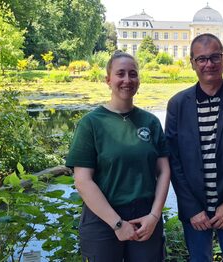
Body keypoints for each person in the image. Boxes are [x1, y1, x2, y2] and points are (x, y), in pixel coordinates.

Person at [66, 51, 170, 261]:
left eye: (133, 74)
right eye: (120, 74)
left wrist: (154, 216)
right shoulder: (91, 123)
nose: (127, 80)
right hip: (102, 219)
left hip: (145, 217)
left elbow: (164, 171)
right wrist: (117, 223)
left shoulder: (150, 122)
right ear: (108, 79)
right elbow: (83, 181)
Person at [165, 33, 223, 261]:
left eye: (215, 57)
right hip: (195, 210)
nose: (209, 64)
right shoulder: (178, 104)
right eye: (202, 59)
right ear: (193, 64)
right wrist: (191, 208)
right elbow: (173, 159)